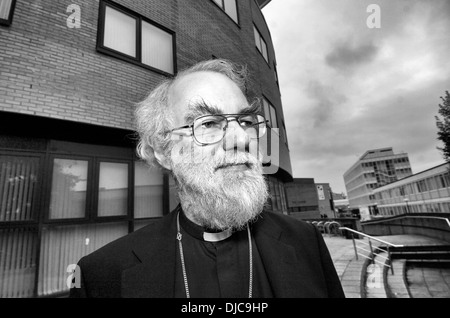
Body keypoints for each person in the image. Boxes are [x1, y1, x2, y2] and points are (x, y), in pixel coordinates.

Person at [69, 59, 345, 298]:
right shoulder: (101, 275)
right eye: (209, 124)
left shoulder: (306, 241)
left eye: (246, 122)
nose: (240, 139)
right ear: (163, 152)